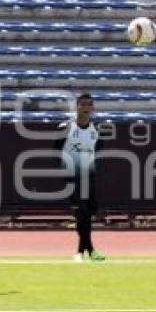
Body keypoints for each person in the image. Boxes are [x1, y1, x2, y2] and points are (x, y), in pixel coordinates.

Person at [54, 93, 106, 263]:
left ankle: (87, 250)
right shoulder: (66, 127)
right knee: (81, 211)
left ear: (92, 108)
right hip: (72, 175)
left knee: (90, 211)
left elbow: (98, 148)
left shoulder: (96, 129)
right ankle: (81, 252)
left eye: (89, 105)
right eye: (82, 104)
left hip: (89, 174)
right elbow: (56, 150)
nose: (85, 108)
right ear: (76, 106)